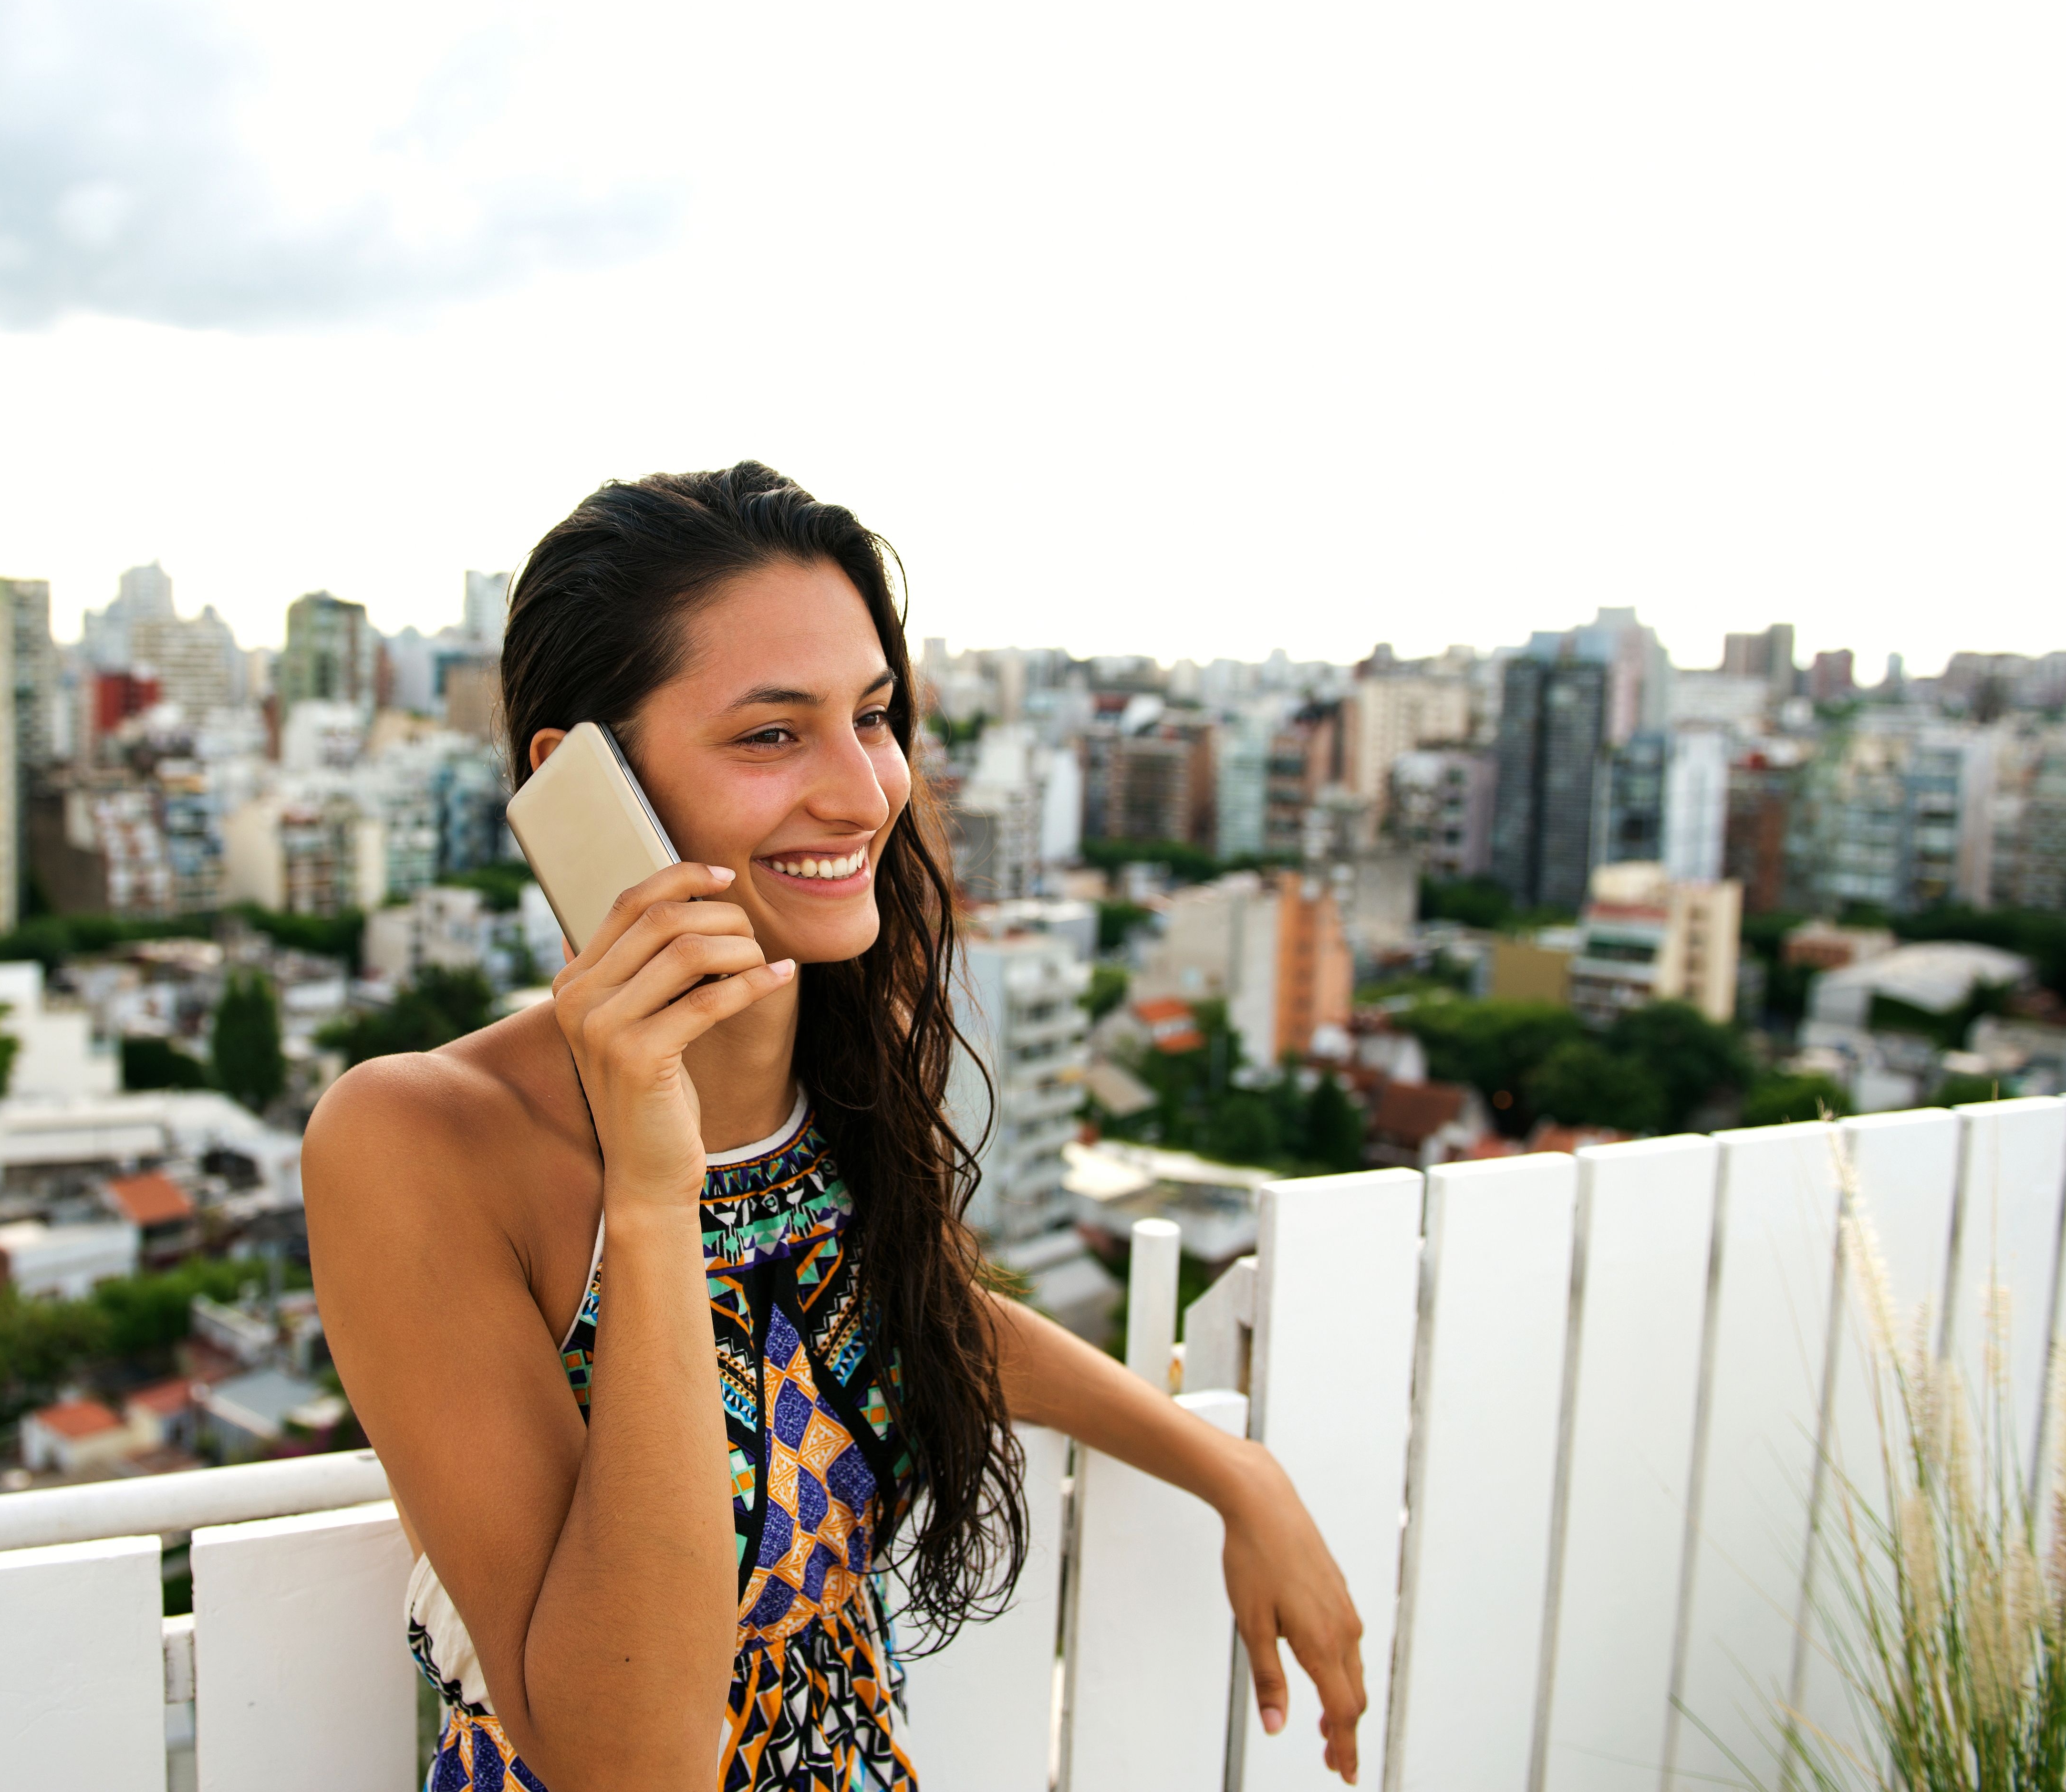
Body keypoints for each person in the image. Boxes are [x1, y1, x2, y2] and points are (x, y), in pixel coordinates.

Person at [301, 463, 1364, 1792]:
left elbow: (892, 1305)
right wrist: (650, 1187)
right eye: (770, 735)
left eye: (871, 717)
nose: (864, 791)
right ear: (580, 784)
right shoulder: (420, 1141)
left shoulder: (838, 1055)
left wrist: (1228, 1469)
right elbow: (630, 1765)